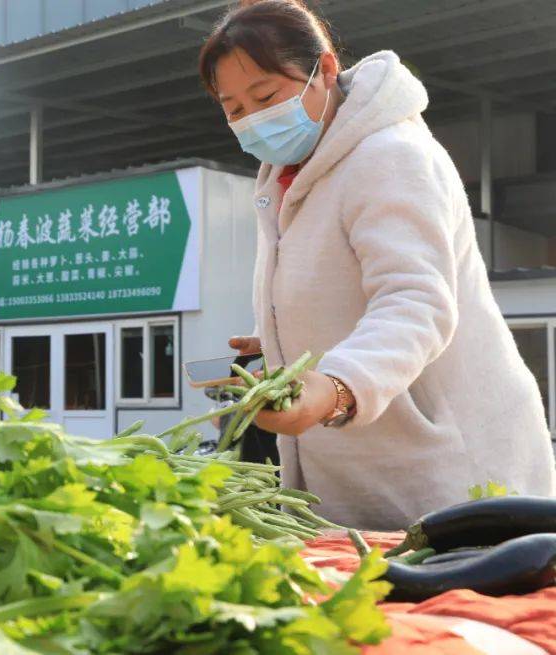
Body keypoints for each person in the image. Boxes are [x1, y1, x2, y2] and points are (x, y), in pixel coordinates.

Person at [199, 0, 556, 529]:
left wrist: (337, 385)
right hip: (361, 476)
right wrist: (279, 336)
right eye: (233, 109)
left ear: (324, 70)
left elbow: (416, 303)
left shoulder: (389, 155)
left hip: (446, 474)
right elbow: (340, 284)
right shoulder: (288, 172)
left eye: (266, 96)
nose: (252, 119)